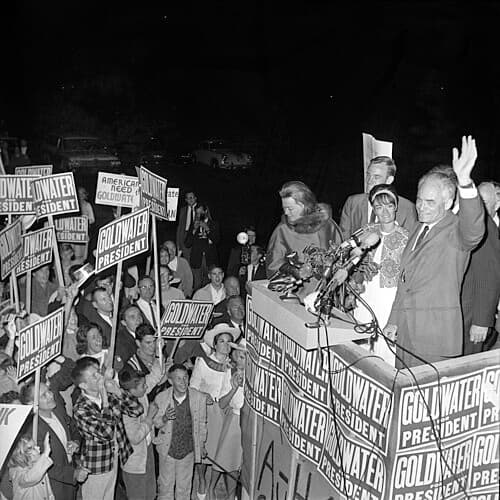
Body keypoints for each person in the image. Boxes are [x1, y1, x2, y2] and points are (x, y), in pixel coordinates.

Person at [384, 136, 485, 368]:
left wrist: (466, 182)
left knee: (429, 401)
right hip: (407, 333)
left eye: (430, 202)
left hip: (434, 337)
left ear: (449, 202)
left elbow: (474, 230)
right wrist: (394, 321)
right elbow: (405, 282)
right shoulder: (417, 228)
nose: (421, 207)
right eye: (419, 200)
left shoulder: (456, 231)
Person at [350, 184, 409, 365]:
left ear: (396, 206)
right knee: (362, 338)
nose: (384, 212)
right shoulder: (366, 232)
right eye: (378, 207)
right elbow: (352, 263)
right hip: (366, 293)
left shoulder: (406, 236)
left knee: (385, 343)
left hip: (390, 297)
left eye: (389, 206)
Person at [72, 357, 144, 500]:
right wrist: (105, 398)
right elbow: (107, 432)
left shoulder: (110, 395)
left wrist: (117, 391)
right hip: (96, 466)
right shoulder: (80, 408)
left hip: (113, 459)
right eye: (94, 376)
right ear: (84, 386)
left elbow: (137, 410)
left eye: (98, 372)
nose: (100, 377)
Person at [266, 181, 343, 296]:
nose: (286, 213)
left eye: (290, 209)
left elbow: (341, 257)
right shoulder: (283, 230)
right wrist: (294, 271)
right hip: (296, 298)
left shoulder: (328, 226)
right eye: (284, 208)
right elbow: (273, 265)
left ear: (303, 205)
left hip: (327, 296)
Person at [189, 325, 234, 500]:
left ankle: (213, 485)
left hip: (226, 412)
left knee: (220, 451)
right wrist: (203, 397)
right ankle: (201, 479)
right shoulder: (203, 363)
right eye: (221, 341)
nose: (225, 345)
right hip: (207, 411)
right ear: (214, 344)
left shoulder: (235, 364)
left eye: (229, 341)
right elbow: (193, 387)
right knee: (203, 448)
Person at [20, 382, 85, 500]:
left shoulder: (57, 410)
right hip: (55, 487)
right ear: (32, 404)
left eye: (49, 390)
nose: (51, 395)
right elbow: (41, 464)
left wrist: (75, 442)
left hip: (71, 477)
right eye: (44, 395)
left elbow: (74, 428)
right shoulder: (32, 431)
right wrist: (73, 474)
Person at [153, 364, 208, 500]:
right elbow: (156, 423)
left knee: (184, 490)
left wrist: (201, 446)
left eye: (185, 377)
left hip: (187, 451)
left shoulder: (199, 398)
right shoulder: (161, 398)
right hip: (168, 451)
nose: (183, 382)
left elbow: (202, 425)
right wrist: (165, 417)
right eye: (178, 379)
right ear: (170, 381)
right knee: (165, 488)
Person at [461, 181, 500, 354]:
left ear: (497, 203)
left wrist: (482, 320)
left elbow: (489, 275)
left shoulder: (486, 227)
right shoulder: (474, 225)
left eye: (483, 202)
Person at [340, 156, 417, 237]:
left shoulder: (407, 208)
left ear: (389, 180)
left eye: (376, 177)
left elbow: (411, 243)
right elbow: (343, 238)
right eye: (368, 175)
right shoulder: (353, 202)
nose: (369, 181)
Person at [212, 340, 246, 500]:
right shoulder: (229, 372)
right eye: (240, 355)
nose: (243, 358)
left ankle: (231, 496)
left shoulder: (256, 376)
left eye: (246, 355)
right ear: (234, 355)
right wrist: (234, 388)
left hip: (249, 422)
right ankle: (209, 490)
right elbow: (222, 403)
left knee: (236, 463)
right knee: (223, 459)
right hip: (235, 420)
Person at [119, 369, 159, 500]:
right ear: (132, 390)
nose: (146, 387)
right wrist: (149, 417)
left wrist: (161, 362)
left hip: (147, 452)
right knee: (138, 496)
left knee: (150, 492)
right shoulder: (126, 409)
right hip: (135, 462)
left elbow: (153, 378)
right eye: (143, 386)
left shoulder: (139, 395)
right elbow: (135, 438)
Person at [125, 324, 168, 401]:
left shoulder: (162, 356)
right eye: (148, 343)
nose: (153, 346)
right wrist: (163, 379)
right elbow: (142, 391)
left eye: (154, 341)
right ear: (138, 343)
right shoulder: (132, 366)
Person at [185, 203, 220, 291]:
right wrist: (193, 230)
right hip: (197, 260)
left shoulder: (214, 224)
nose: (199, 215)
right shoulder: (193, 225)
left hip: (210, 259)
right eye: (197, 213)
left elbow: (217, 240)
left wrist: (207, 229)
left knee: (210, 285)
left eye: (201, 213)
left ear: (206, 211)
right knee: (197, 285)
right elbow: (187, 244)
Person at [9, 433, 54, 500]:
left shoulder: (37, 465)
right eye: (31, 448)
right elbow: (28, 479)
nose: (38, 448)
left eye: (35, 446)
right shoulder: (16, 470)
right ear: (22, 453)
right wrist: (46, 453)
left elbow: (48, 491)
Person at [176, 191, 198, 261]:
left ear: (195, 198)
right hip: (185, 236)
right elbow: (180, 227)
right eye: (188, 198)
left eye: (191, 197)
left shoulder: (202, 208)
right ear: (186, 200)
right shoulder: (183, 210)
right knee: (187, 260)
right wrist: (178, 243)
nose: (190, 199)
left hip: (197, 236)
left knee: (197, 260)